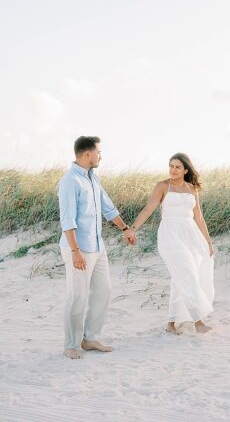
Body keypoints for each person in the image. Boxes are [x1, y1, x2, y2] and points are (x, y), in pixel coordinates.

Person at [57, 136, 137, 360]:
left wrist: (125, 229)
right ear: (87, 154)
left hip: (98, 247)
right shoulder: (70, 180)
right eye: (98, 152)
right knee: (77, 296)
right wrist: (75, 251)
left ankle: (90, 338)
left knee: (104, 290)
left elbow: (108, 207)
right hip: (78, 248)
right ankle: (71, 344)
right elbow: (67, 220)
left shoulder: (93, 178)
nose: (101, 156)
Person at [129, 153, 216, 334]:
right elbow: (147, 209)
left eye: (177, 167)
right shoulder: (162, 186)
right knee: (187, 273)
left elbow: (199, 218)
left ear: (185, 170)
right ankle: (198, 322)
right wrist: (132, 229)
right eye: (171, 166)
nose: (173, 170)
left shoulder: (192, 189)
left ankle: (171, 322)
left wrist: (208, 241)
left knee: (181, 277)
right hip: (170, 234)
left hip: (191, 235)